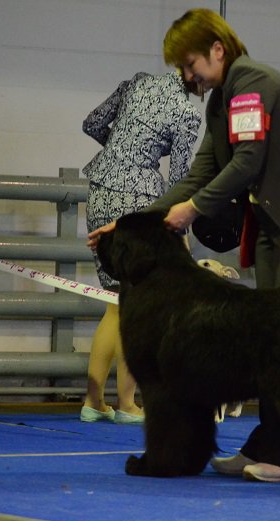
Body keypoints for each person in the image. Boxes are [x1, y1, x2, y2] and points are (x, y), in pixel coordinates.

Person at [88, 8, 280, 481]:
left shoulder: (250, 84)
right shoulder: (221, 102)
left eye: (190, 64)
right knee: (269, 335)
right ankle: (271, 444)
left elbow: (247, 161)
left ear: (217, 49)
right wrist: (131, 225)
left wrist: (192, 210)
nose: (188, 77)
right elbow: (201, 171)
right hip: (278, 210)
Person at [80, 71, 201, 424]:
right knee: (135, 307)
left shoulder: (137, 82)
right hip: (140, 199)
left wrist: (123, 152)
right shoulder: (186, 112)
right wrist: (181, 235)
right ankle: (128, 404)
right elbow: (179, 179)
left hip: (99, 189)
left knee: (113, 303)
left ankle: (93, 401)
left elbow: (92, 123)